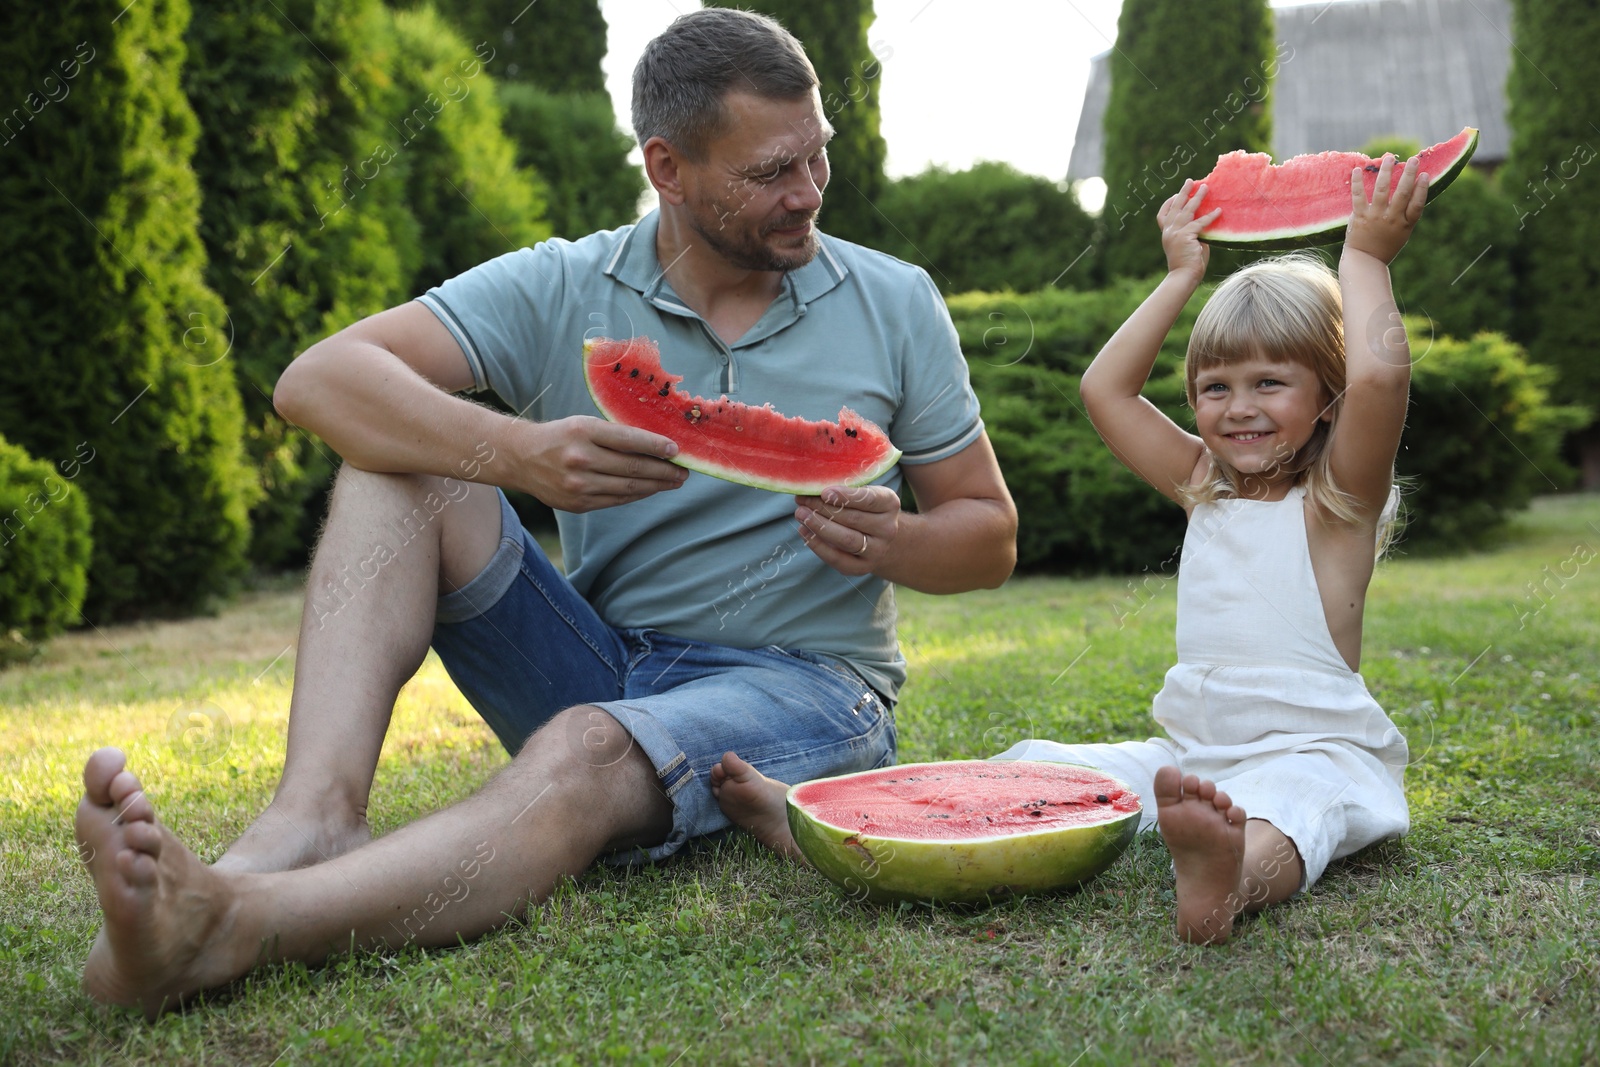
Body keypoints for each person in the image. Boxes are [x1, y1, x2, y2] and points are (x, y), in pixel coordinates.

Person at [74, 8, 1017, 1016]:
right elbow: (318, 381)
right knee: (392, 467)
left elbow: (988, 535)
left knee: (585, 744)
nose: (807, 196)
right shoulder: (569, 282)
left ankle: (234, 924)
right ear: (667, 165)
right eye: (768, 173)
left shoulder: (893, 298)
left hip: (804, 689)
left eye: (815, 159)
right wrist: (516, 452)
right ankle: (311, 817)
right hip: (602, 658)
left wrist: (903, 539)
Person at [713, 154, 1429, 945]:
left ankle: (1225, 879)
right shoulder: (1204, 482)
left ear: (1327, 398)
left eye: (1270, 383)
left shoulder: (1338, 504)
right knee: (1033, 759)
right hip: (1190, 755)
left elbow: (1381, 382)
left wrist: (1365, 256)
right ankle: (825, 820)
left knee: (1295, 810)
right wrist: (1180, 276)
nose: (1238, 408)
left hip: (1314, 749)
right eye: (1215, 386)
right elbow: (1105, 391)